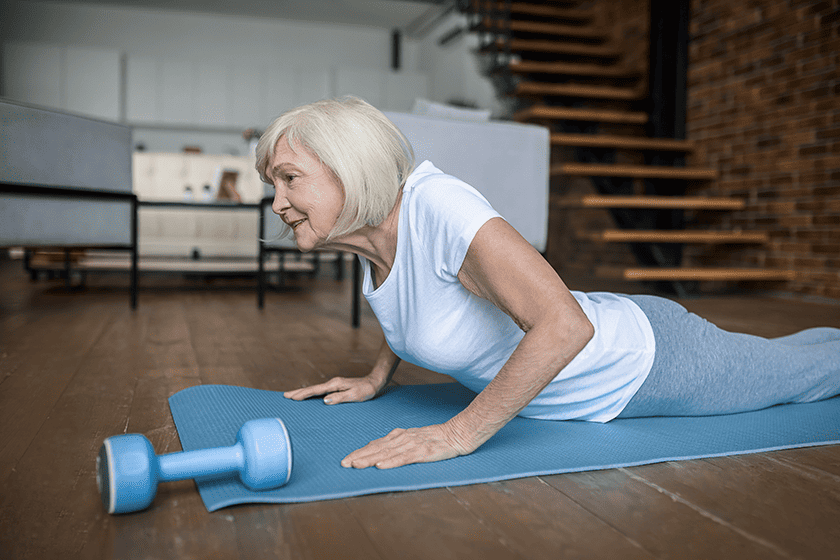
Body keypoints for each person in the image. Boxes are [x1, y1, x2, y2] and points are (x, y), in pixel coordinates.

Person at [255, 96, 840, 471]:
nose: (277, 202)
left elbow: (565, 327)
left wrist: (456, 436)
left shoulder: (441, 210)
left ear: (349, 168)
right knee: (786, 355)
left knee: (809, 377)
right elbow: (413, 302)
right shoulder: (372, 233)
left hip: (648, 364)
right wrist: (377, 376)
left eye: (289, 179)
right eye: (272, 184)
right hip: (623, 336)